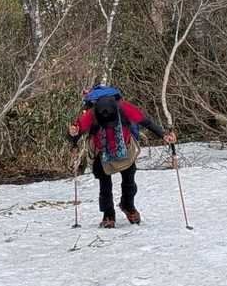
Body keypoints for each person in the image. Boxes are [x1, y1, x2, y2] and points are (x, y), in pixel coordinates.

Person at [68, 85, 176, 228]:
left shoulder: (124, 107)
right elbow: (77, 131)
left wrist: (163, 135)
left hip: (125, 147)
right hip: (101, 151)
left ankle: (128, 206)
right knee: (105, 185)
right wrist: (73, 136)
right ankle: (108, 215)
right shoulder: (91, 114)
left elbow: (146, 121)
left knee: (129, 181)